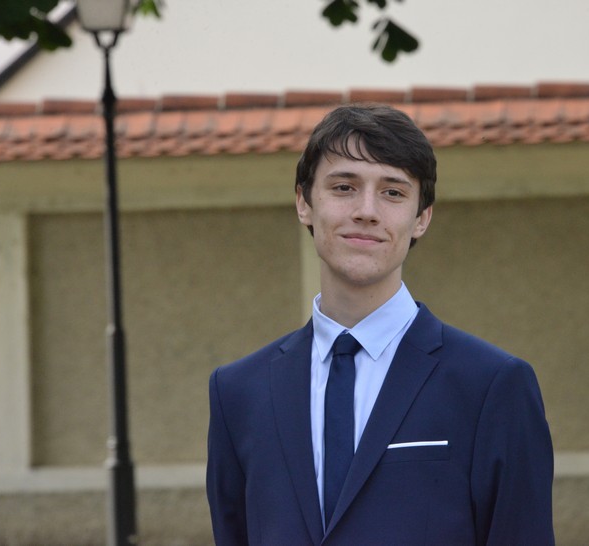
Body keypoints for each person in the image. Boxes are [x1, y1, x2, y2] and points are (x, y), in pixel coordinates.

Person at [206, 104, 555, 545]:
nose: (366, 211)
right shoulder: (238, 393)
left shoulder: (492, 385)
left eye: (392, 192)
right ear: (304, 203)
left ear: (421, 218)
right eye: (344, 187)